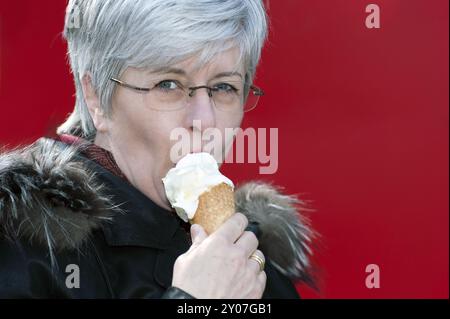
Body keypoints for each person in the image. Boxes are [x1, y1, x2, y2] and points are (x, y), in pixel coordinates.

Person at [0, 0, 314, 298]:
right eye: (168, 84)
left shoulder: (253, 260)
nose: (204, 120)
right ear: (96, 96)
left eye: (223, 87)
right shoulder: (22, 248)